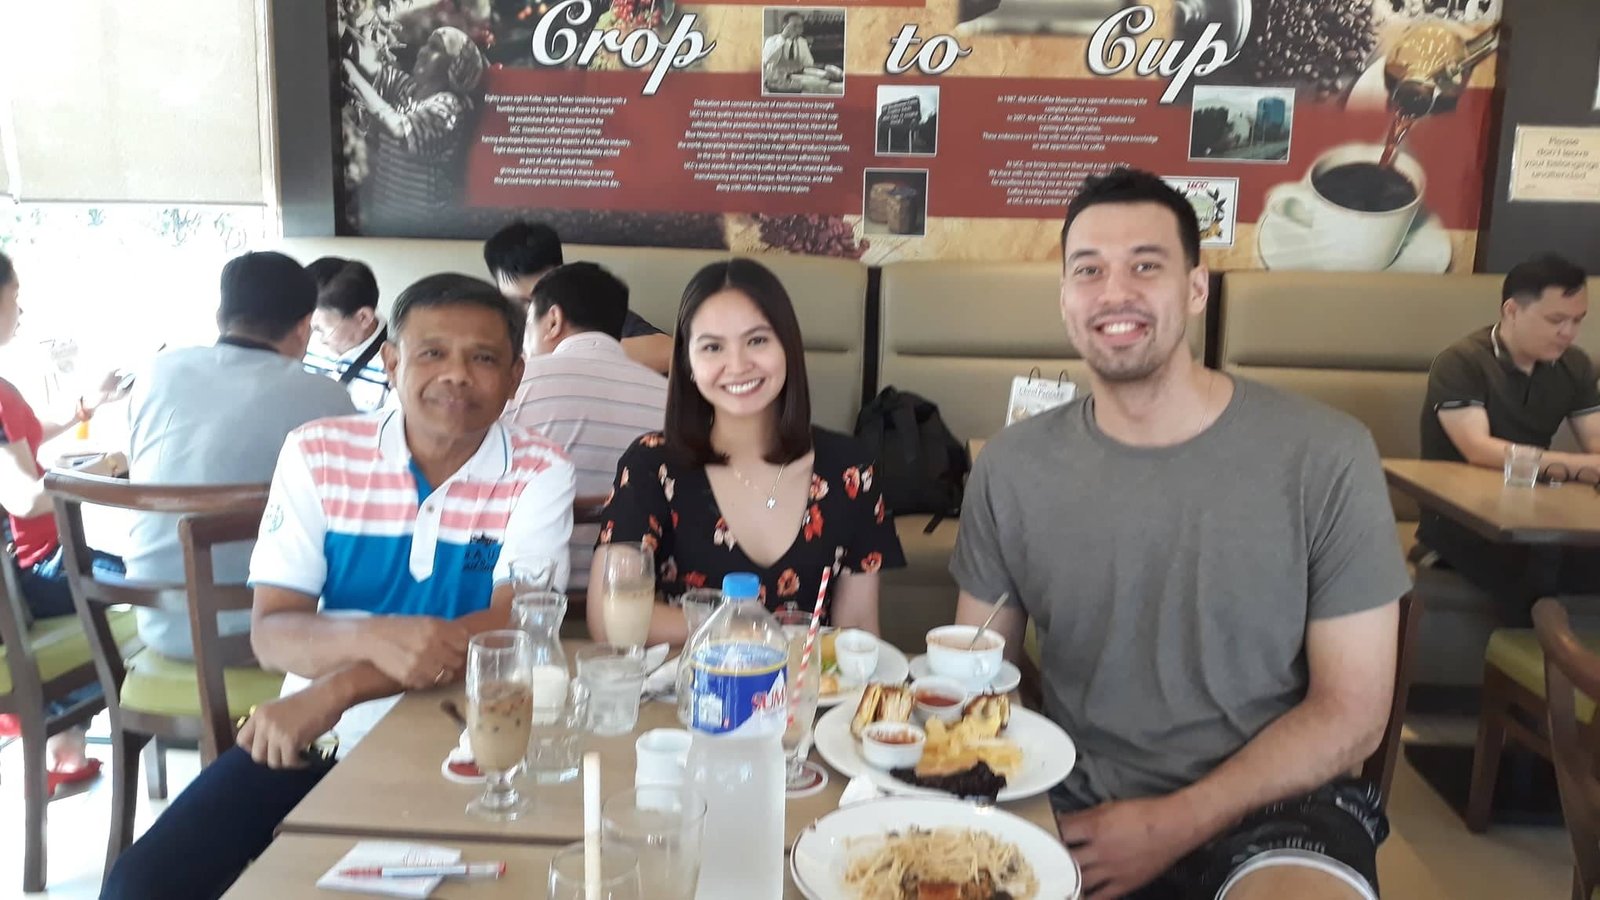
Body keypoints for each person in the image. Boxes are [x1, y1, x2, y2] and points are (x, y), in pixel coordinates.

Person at [949, 169, 1406, 900]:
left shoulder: (1325, 455)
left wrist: (1174, 822)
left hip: (1277, 803)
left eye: (1145, 265)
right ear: (1065, 299)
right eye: (1088, 270)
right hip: (1075, 800)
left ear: (1196, 289)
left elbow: (1352, 715)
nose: (1114, 292)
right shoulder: (1011, 468)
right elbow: (980, 677)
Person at [101, 274, 576, 900]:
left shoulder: (540, 471)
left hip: (471, 737)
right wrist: (372, 641)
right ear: (392, 362)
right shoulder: (318, 452)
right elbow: (273, 632)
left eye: (483, 359)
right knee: (140, 884)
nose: (457, 375)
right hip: (313, 736)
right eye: (433, 352)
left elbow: (509, 628)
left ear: (516, 377)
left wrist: (342, 686)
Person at [590, 258, 903, 646]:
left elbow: (856, 629)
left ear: (788, 347)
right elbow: (611, 618)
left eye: (757, 341)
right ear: (688, 363)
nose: (737, 365)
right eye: (713, 347)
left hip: (804, 685)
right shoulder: (651, 465)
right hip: (686, 683)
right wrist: (749, 630)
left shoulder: (852, 472)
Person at [124, 251, 356, 660]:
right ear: (304, 327)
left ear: (220, 317)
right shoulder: (325, 397)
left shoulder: (156, 372)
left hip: (159, 625)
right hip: (273, 635)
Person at [0, 250, 129, 793]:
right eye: (15, 298)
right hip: (30, 574)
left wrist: (85, 407)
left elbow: (23, 436)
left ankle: (64, 746)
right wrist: (103, 470)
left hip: (27, 571)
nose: (20, 311)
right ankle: (57, 728)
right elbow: (25, 500)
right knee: (143, 587)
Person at [1417, 253, 1600, 625]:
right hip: (1462, 518)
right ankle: (1532, 659)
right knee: (1541, 560)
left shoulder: (1575, 365)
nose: (1569, 333)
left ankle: (1576, 658)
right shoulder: (1461, 362)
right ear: (1512, 310)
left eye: (1577, 320)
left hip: (1536, 510)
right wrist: (1582, 466)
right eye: (1556, 320)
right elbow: (1478, 448)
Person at [503, 262, 666, 589]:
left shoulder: (516, 382)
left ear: (553, 320)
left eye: (527, 325)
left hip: (523, 598)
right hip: (635, 597)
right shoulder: (668, 397)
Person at [342, 25, 485, 232]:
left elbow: (399, 129)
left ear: (454, 66)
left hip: (420, 228)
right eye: (426, 44)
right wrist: (339, 30)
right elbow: (368, 62)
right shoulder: (407, 89)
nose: (423, 50)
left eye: (435, 47)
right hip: (385, 218)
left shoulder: (450, 108)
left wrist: (353, 77)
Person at [483, 220, 673, 374]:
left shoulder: (590, 311)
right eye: (519, 302)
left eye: (539, 300)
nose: (530, 310)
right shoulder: (484, 324)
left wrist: (568, 353)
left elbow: (669, 351)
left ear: (560, 274)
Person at [302, 256, 392, 411]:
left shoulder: (395, 366)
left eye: (320, 329)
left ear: (363, 318)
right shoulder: (303, 342)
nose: (311, 337)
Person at [761, 12, 843, 95]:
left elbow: (808, 64)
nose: (798, 29)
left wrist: (822, 73)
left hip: (796, 80)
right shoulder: (772, 40)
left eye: (800, 26)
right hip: (776, 82)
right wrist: (783, 37)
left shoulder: (802, 42)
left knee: (823, 85)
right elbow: (767, 60)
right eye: (794, 26)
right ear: (784, 26)